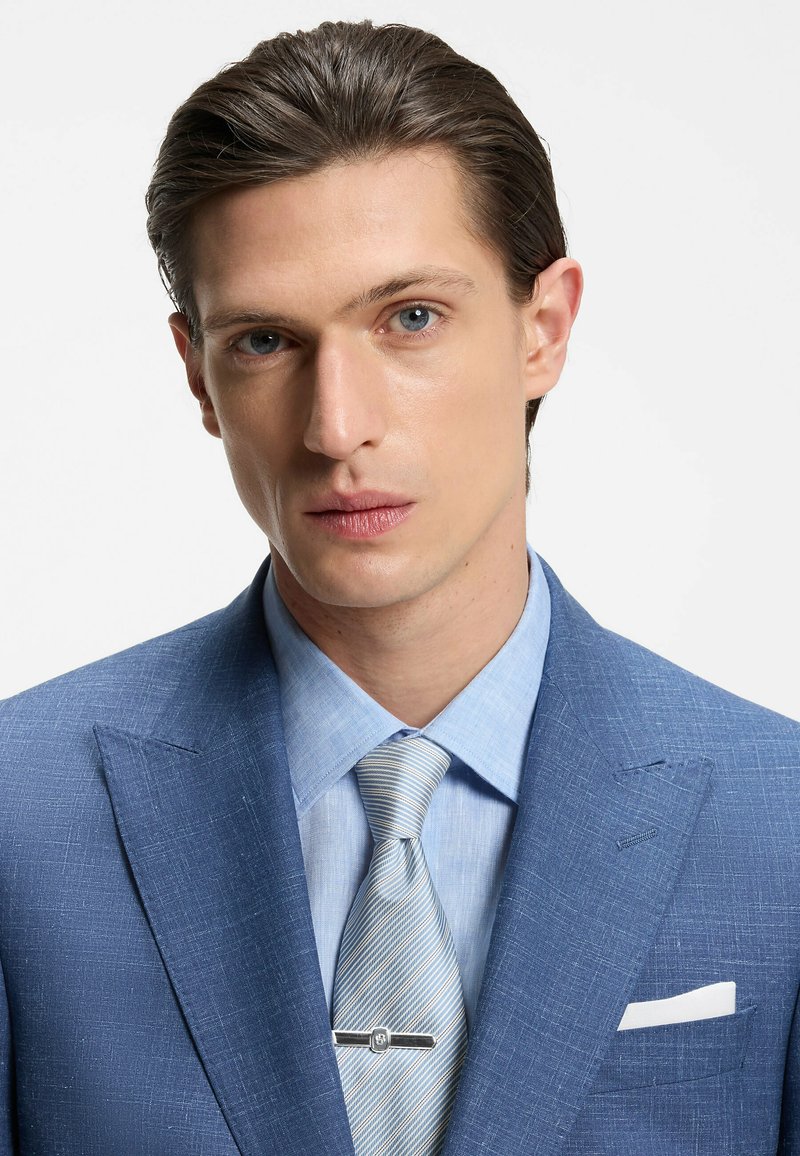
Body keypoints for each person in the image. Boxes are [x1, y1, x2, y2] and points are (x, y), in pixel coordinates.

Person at [0, 17, 797, 1155]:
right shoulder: (19, 817)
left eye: (410, 318)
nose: (337, 427)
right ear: (198, 374)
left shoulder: (779, 824)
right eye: (265, 341)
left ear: (544, 327)